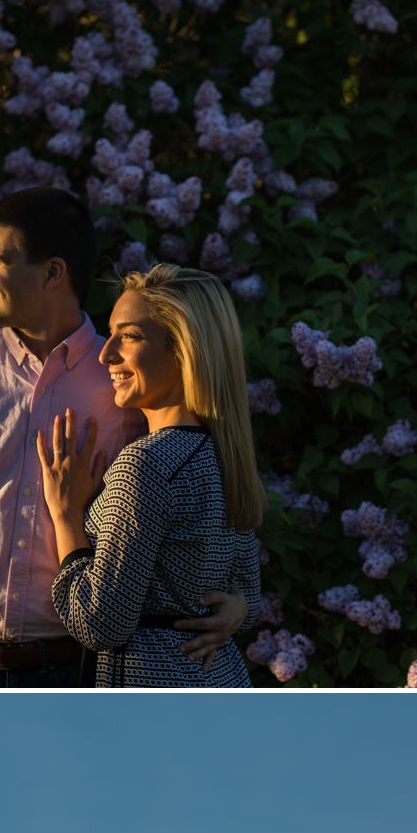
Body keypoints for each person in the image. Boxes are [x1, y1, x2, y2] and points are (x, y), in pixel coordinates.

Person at [0, 188, 248, 689]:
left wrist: (239, 600)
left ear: (52, 272)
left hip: (79, 669)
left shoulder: (130, 384)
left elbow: (206, 506)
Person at [39, 265, 263, 687]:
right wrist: (237, 611)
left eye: (129, 336)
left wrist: (67, 518)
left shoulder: (146, 465)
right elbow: (247, 596)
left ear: (182, 349)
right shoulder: (226, 455)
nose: (106, 354)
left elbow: (100, 624)